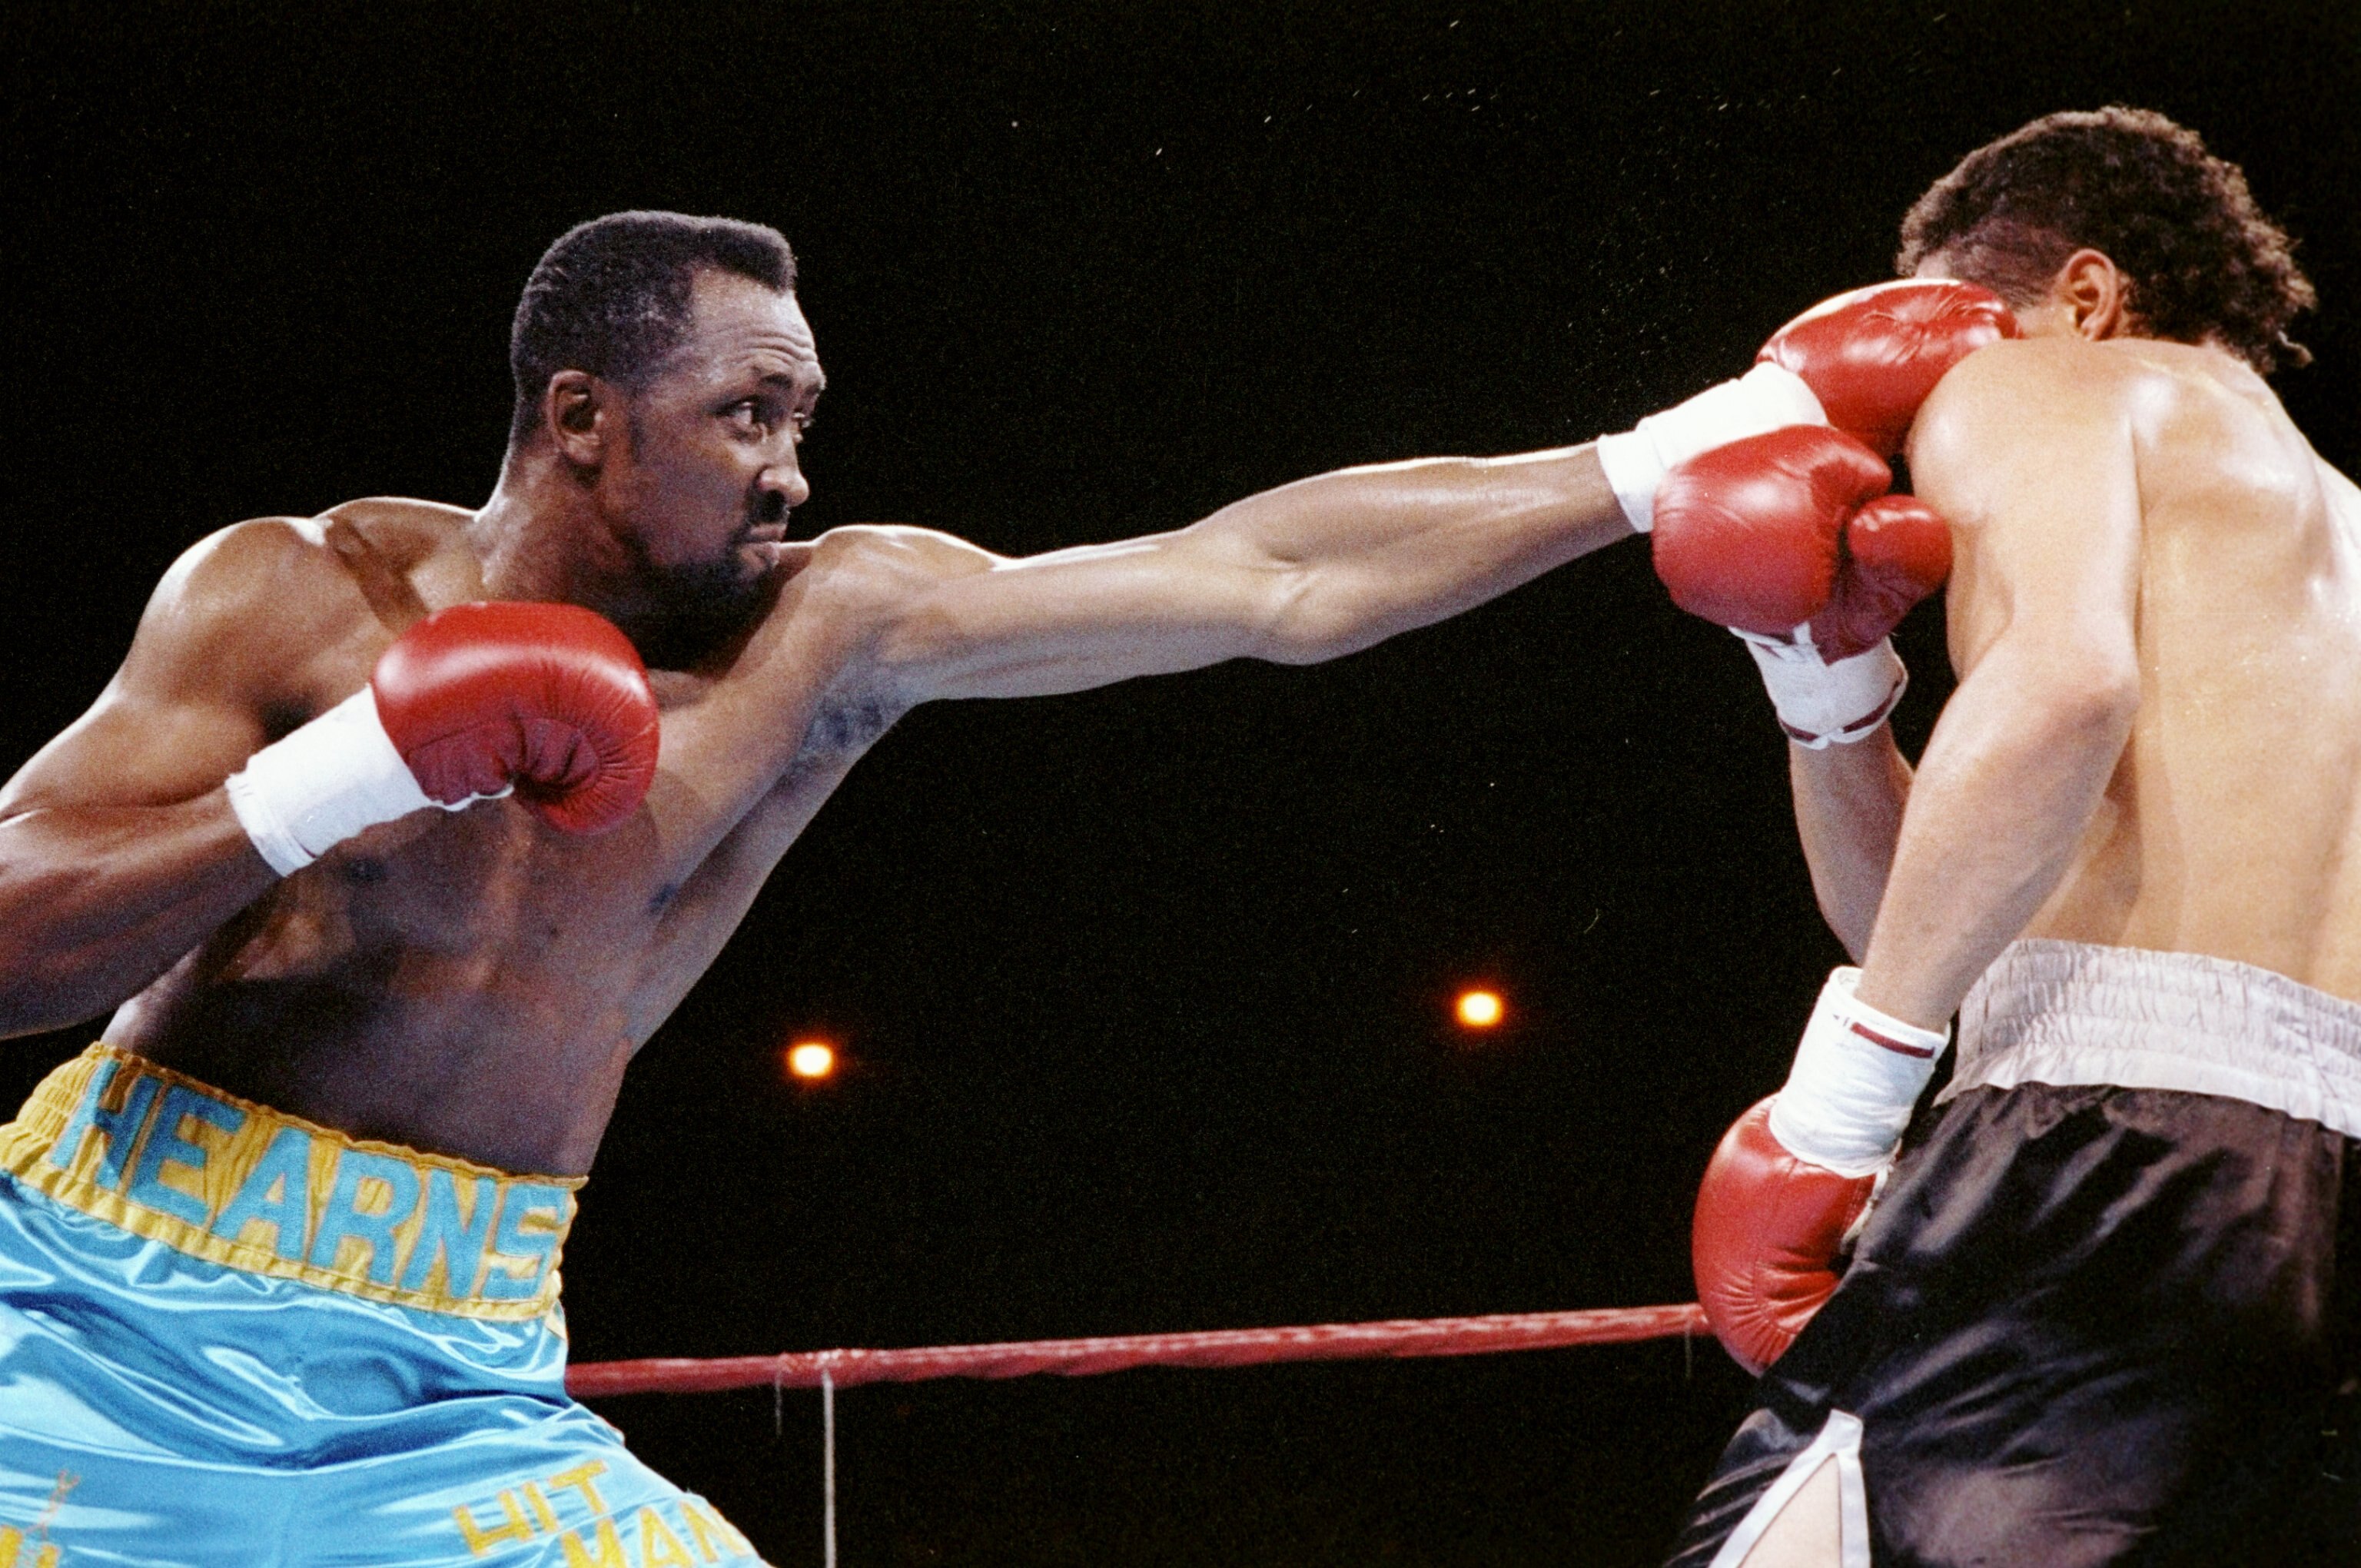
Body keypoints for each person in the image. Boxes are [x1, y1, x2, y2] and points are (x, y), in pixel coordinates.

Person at [0, 207, 1936, 1563]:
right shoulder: (295, 592)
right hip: (84, 1313)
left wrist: (1683, 447)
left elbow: (1271, 579)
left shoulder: (835, 628)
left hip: (450, 1377)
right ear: (580, 416)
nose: (789, 470)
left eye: (805, 422)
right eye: (744, 415)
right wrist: (340, 777)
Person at [1664, 108, 2359, 1567]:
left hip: (2100, 1146)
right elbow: (1932, 920)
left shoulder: (2054, 382)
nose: (1917, 434)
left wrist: (1838, 1112)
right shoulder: (2331, 530)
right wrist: (1831, 696)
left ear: (2089, 298)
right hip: (2312, 1199)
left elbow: (2064, 686)